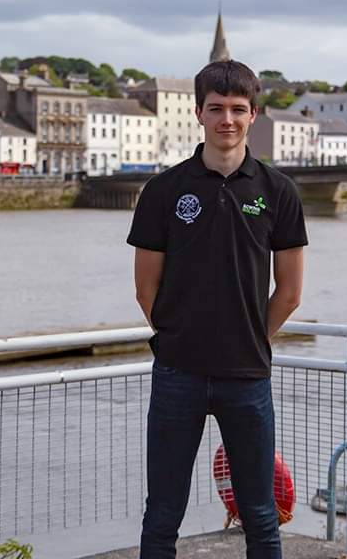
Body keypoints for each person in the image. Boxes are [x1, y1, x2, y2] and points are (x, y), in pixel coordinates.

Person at [128, 60, 307, 558]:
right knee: (162, 514)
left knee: (261, 515)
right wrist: (181, 338)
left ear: (253, 114)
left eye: (237, 109)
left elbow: (290, 292)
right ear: (198, 113)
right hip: (177, 374)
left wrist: (249, 338)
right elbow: (145, 290)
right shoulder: (163, 191)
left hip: (246, 377)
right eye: (216, 109)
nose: (226, 119)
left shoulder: (278, 192)